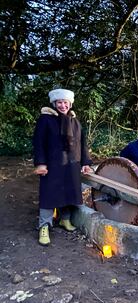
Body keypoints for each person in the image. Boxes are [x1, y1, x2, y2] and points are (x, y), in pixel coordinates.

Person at [33, 88, 93, 246]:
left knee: (68, 192)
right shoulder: (45, 119)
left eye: (65, 102)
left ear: (70, 104)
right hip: (52, 164)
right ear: (54, 103)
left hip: (71, 164)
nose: (62, 105)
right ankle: (44, 226)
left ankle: (64, 219)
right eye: (59, 102)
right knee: (49, 194)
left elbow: (82, 143)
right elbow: (39, 142)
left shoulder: (75, 122)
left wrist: (86, 163)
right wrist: (41, 163)